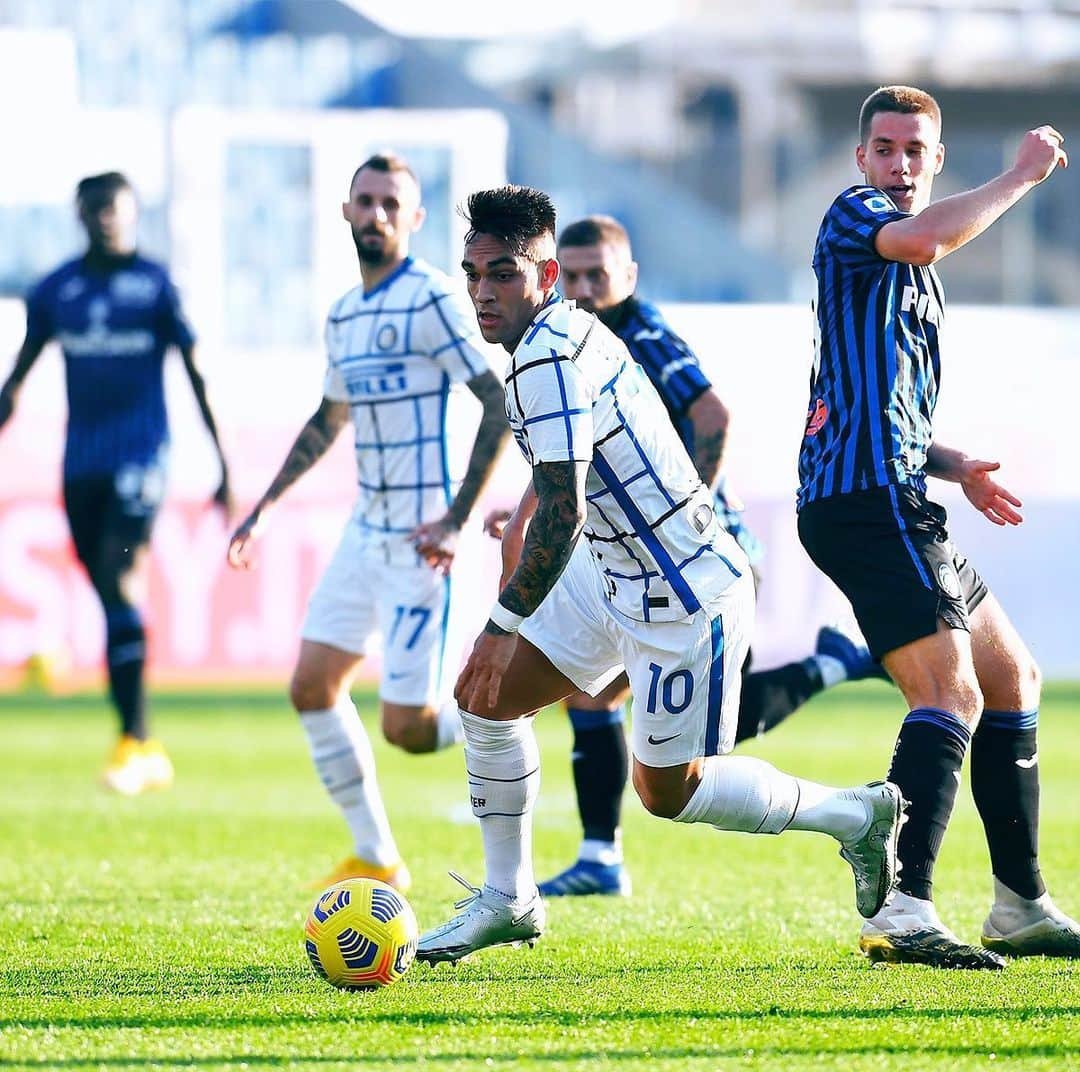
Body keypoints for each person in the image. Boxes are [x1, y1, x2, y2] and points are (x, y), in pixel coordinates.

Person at [416, 185, 902, 965]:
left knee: (666, 792)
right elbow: (560, 487)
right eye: (472, 273)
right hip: (614, 574)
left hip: (684, 596)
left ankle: (855, 816)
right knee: (485, 698)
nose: (482, 292)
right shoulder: (566, 331)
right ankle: (508, 899)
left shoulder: (546, 355)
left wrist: (500, 626)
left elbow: (564, 509)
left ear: (545, 278)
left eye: (502, 273)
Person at [797, 85, 1079, 968]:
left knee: (1011, 676)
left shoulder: (917, 275)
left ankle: (1020, 905)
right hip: (861, 498)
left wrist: (950, 464)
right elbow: (926, 235)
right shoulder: (858, 217)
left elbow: (872, 400)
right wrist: (1024, 175)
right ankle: (905, 908)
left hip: (899, 488)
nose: (900, 164)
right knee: (949, 694)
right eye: (886, 148)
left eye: (916, 151)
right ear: (862, 160)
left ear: (936, 159)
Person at [227, 153, 509, 893]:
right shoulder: (344, 315)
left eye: (392, 203)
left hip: (423, 541)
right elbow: (331, 417)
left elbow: (496, 401)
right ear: (346, 212)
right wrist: (265, 506)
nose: (377, 214)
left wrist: (455, 518)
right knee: (312, 687)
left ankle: (520, 711)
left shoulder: (434, 300)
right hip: (364, 531)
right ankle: (377, 853)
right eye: (366, 201)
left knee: (409, 731)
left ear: (414, 219)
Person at [0, 171, 232, 795]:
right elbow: (19, 373)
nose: (108, 219)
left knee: (121, 580)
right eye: (97, 209)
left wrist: (222, 462)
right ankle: (141, 740)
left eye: (117, 209)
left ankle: (135, 739)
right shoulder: (56, 290)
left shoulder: (155, 285)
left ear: (132, 215)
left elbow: (196, 371)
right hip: (80, 464)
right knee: (108, 594)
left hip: (142, 458)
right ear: (80, 214)